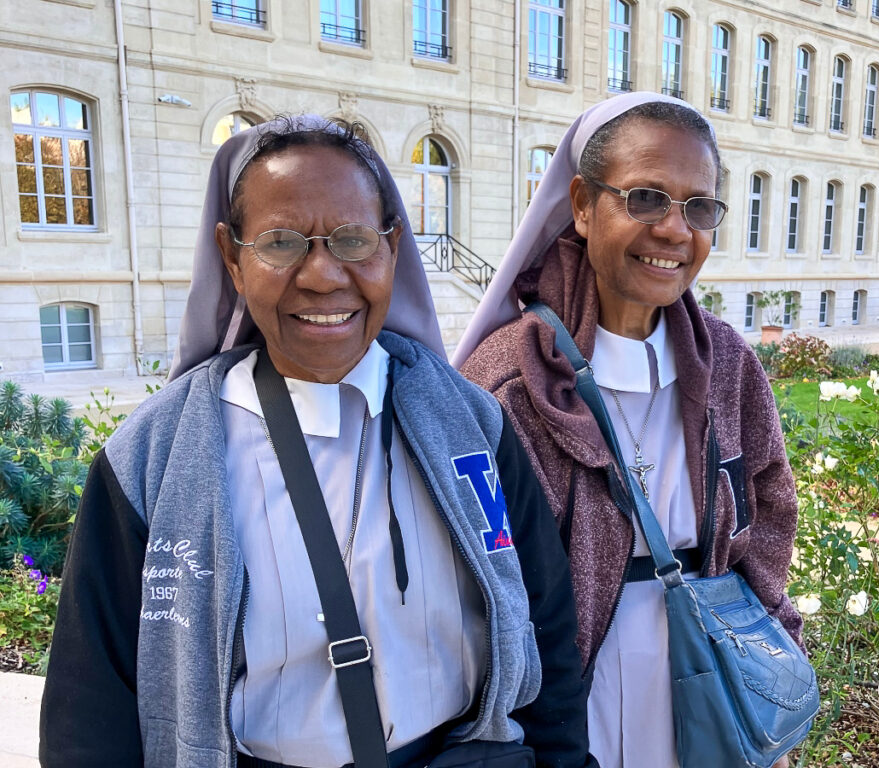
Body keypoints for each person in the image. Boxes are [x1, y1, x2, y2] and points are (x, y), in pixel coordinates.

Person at [40, 116, 595, 768]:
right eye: (281, 243)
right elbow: (91, 705)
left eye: (354, 240)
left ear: (393, 247)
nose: (324, 276)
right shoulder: (152, 459)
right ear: (231, 258)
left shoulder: (471, 425)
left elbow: (545, 627)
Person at [454, 92, 801, 768]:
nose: (675, 229)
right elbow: (474, 586)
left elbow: (768, 518)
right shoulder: (510, 380)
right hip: (573, 695)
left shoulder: (727, 363)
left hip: (710, 683)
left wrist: (771, 682)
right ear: (583, 204)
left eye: (698, 207)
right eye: (645, 198)